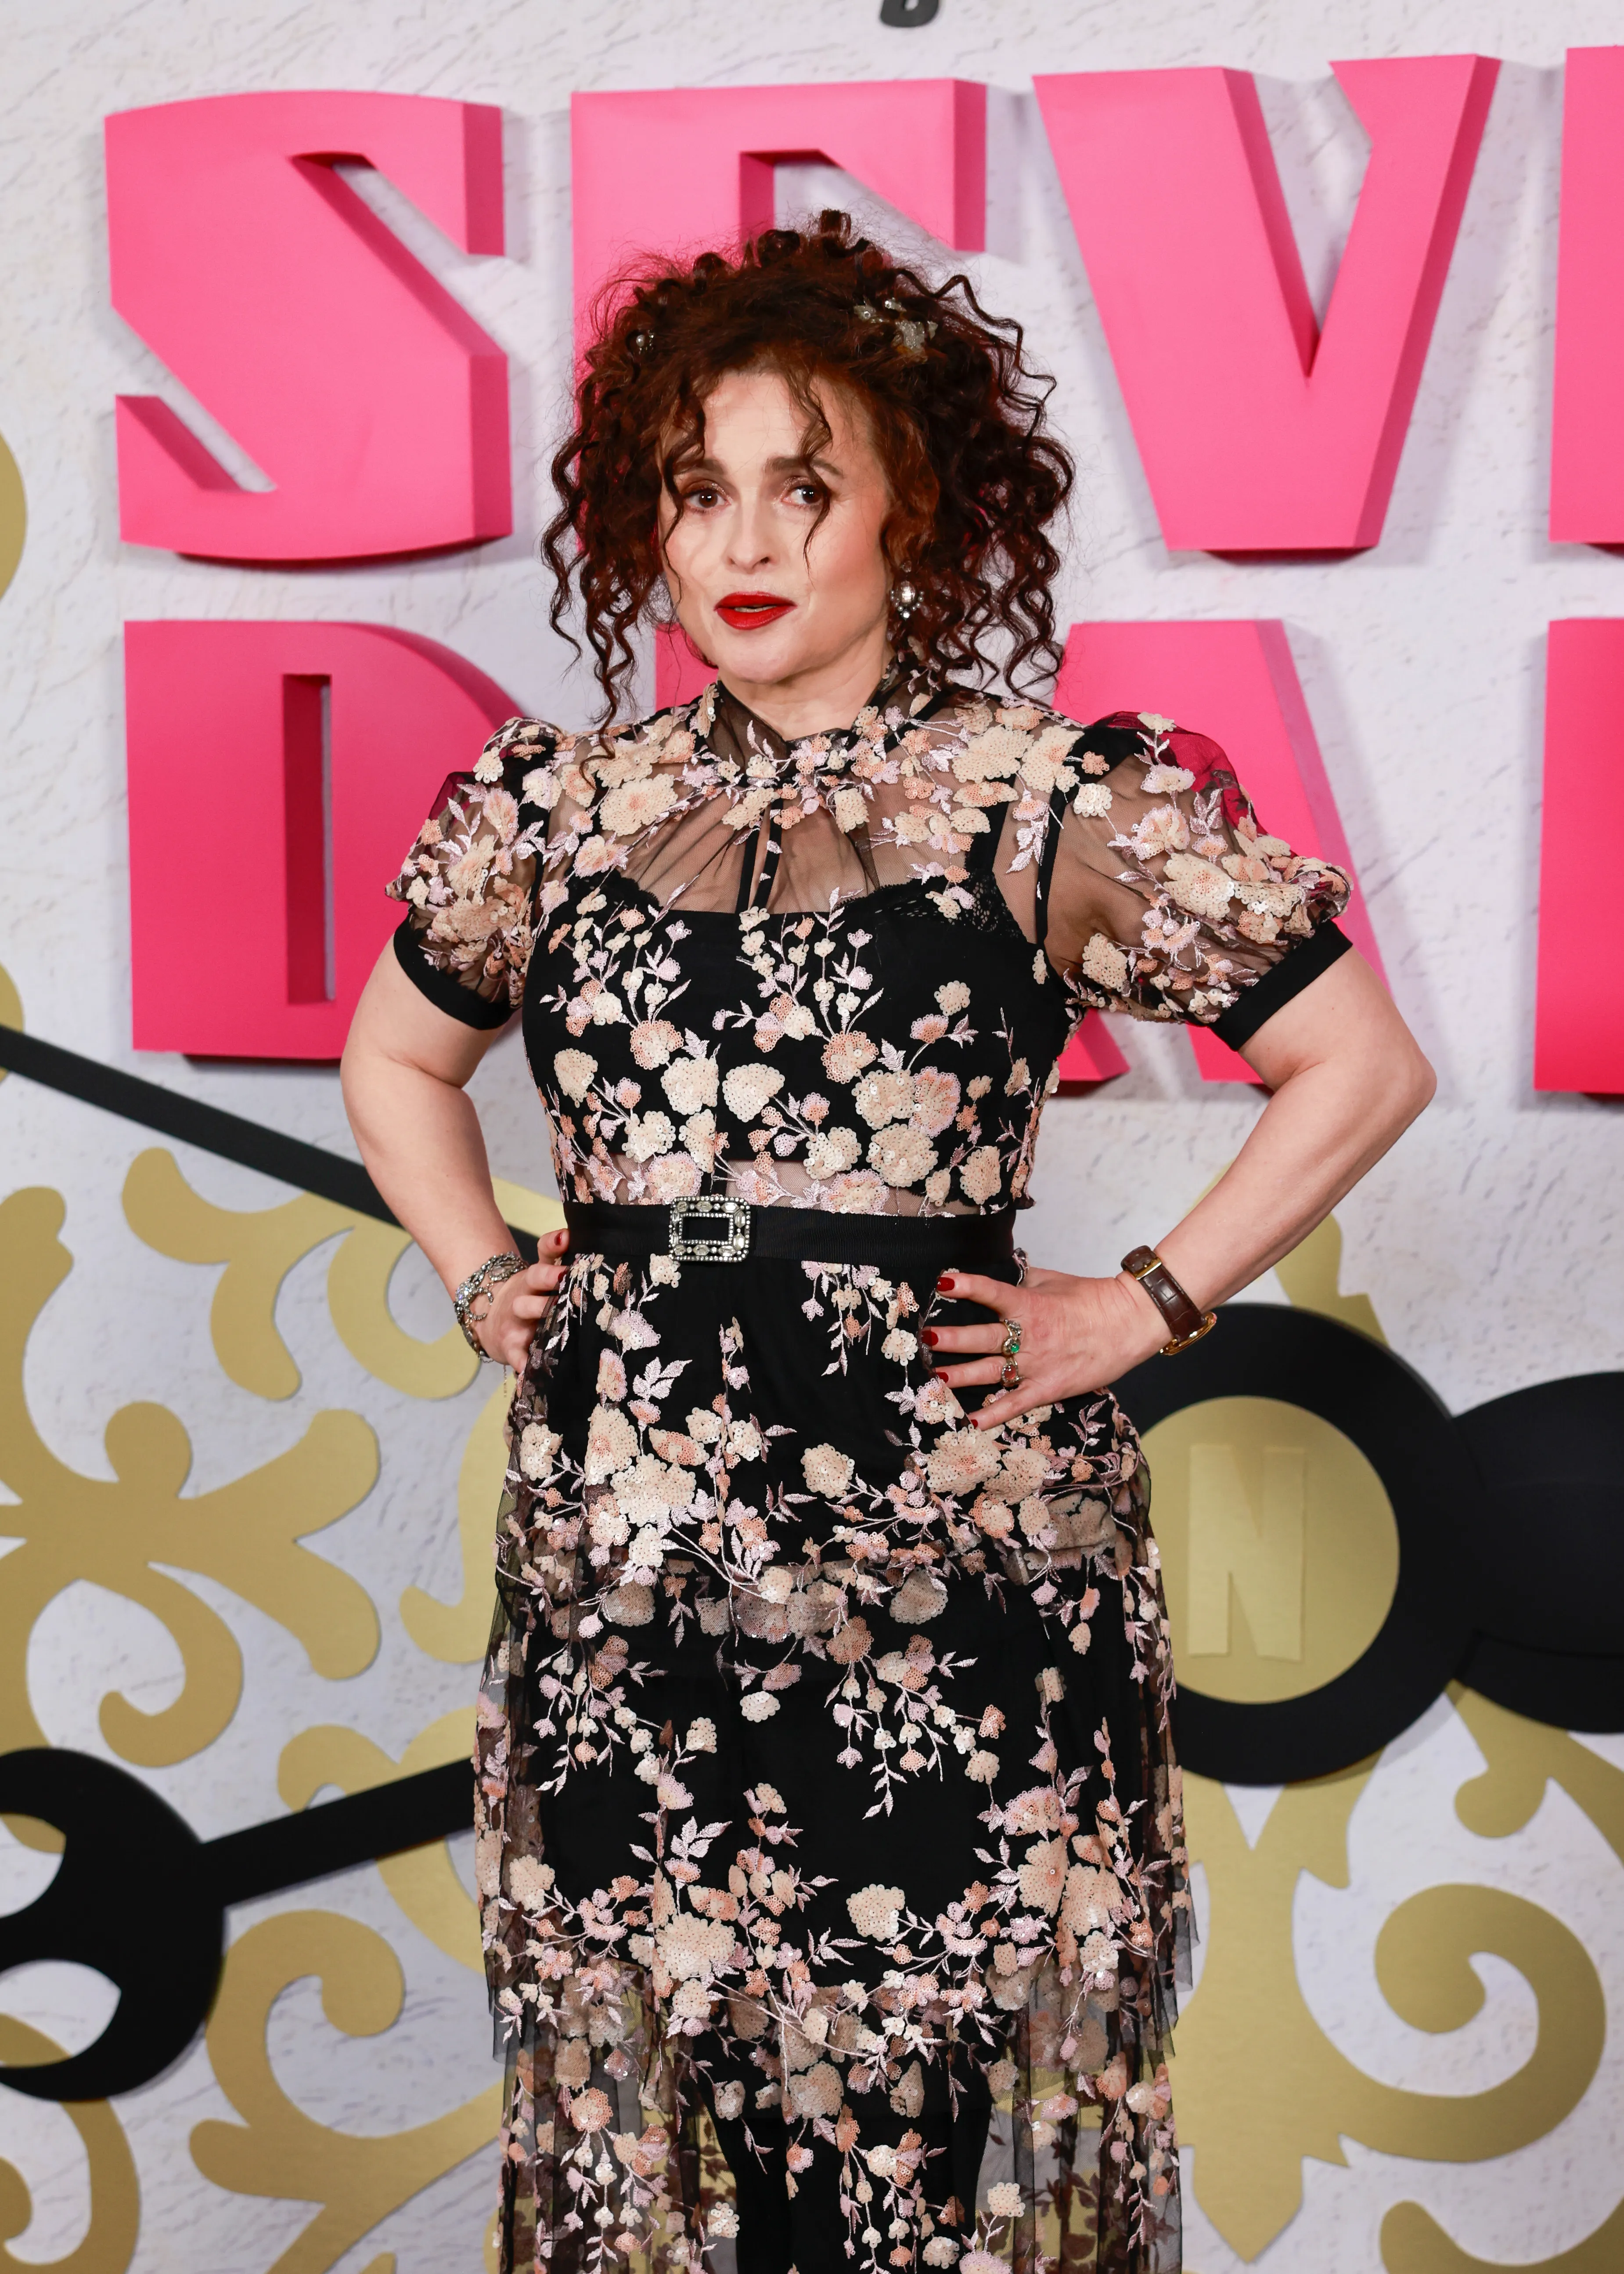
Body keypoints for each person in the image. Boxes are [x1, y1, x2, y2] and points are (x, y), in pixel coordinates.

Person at [341, 213, 1433, 2274]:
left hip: (961, 1583)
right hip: (625, 1584)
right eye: (696, 486)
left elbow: (1358, 1064)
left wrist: (1149, 1301)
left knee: (948, 2124)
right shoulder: (553, 812)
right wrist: (485, 1269)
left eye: (803, 484)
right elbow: (396, 1059)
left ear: (907, 512)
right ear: (641, 525)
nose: (743, 537)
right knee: (650, 2094)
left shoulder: (1044, 802)